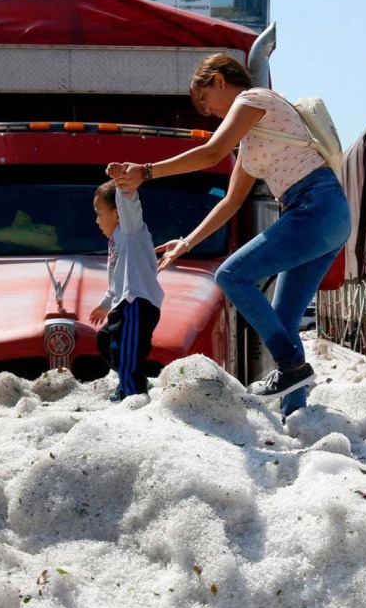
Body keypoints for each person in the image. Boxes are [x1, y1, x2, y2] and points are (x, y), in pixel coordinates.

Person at [106, 53, 351, 417]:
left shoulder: (253, 99)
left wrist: (146, 171)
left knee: (231, 275)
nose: (209, 113)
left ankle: (294, 368)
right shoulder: (251, 144)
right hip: (323, 214)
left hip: (315, 205)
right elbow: (231, 202)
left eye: (206, 100)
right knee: (283, 321)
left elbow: (212, 152)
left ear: (220, 80)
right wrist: (187, 241)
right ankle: (296, 415)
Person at [89, 179, 164, 402]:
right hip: (123, 302)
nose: (97, 220)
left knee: (126, 351)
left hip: (137, 302)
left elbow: (130, 205)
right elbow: (117, 281)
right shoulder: (115, 241)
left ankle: (132, 395)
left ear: (117, 213)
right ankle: (134, 379)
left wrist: (124, 186)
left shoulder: (130, 231)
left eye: (99, 214)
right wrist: (104, 305)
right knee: (105, 340)